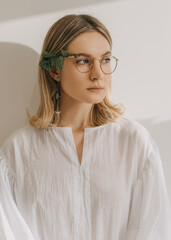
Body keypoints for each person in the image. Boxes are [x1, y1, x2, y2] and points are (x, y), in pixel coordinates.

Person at [0, 14, 171, 240]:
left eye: (106, 59)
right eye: (83, 61)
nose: (98, 74)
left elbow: (153, 229)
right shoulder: (19, 151)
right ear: (55, 70)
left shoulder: (134, 143)